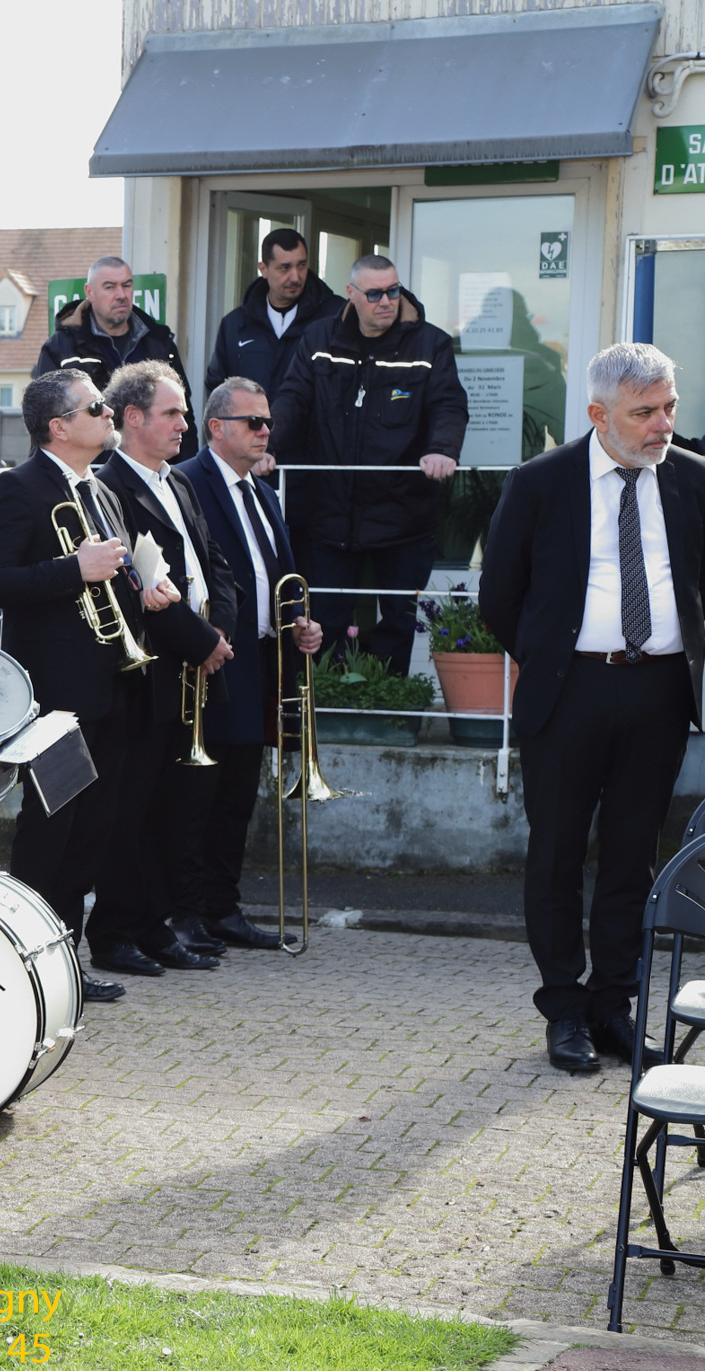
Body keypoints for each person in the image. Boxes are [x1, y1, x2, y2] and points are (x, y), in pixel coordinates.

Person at [480, 343, 705, 1074]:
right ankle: (564, 1010)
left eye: (669, 407)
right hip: (569, 691)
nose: (662, 424)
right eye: (644, 413)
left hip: (660, 691)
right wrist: (550, 659)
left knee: (633, 854)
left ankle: (613, 1005)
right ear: (597, 415)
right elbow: (498, 596)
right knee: (555, 853)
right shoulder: (539, 482)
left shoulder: (692, 478)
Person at [0, 369, 164, 1003]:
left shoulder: (101, 490)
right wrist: (72, 568)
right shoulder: (16, 487)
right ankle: (25, 964)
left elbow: (114, 573)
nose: (110, 414)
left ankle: (66, 965)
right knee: (50, 831)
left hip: (112, 684)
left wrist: (146, 584)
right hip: (56, 694)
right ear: (59, 426)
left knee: (92, 833)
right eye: (97, 407)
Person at [90, 362, 237, 976]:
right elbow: (137, 584)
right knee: (131, 811)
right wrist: (200, 641)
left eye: (183, 412)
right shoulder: (110, 487)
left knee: (173, 807)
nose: (184, 424)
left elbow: (213, 563)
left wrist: (219, 630)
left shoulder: (178, 482)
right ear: (133, 417)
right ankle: (115, 933)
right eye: (172, 413)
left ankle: (156, 926)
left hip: (194, 666)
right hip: (151, 672)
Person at [176, 377, 324, 952]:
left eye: (268, 422)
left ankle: (223, 908)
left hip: (261, 657)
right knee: (198, 796)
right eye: (253, 422)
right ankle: (185, 913)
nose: (265, 431)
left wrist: (301, 623)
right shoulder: (188, 481)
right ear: (217, 428)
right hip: (213, 658)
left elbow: (276, 572)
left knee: (238, 793)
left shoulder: (262, 492)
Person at [272, 255, 467, 676]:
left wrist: (443, 449)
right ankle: (326, 703)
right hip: (331, 513)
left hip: (404, 514)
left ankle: (391, 702)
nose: (386, 301)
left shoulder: (429, 343)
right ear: (351, 294)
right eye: (375, 293)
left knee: (398, 623)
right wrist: (265, 446)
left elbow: (448, 405)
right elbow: (292, 399)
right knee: (325, 621)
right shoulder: (319, 337)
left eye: (393, 291)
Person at [34, 257, 195, 458]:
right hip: (91, 468)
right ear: (90, 292)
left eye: (126, 285)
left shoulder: (158, 343)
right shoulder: (60, 348)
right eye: (110, 287)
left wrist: (184, 471)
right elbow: (44, 423)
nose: (121, 295)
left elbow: (183, 412)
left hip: (152, 469)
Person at [203, 228, 341, 397]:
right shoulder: (234, 325)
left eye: (301, 265)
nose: (295, 277)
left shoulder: (335, 317)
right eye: (285, 268)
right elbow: (217, 389)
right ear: (264, 269)